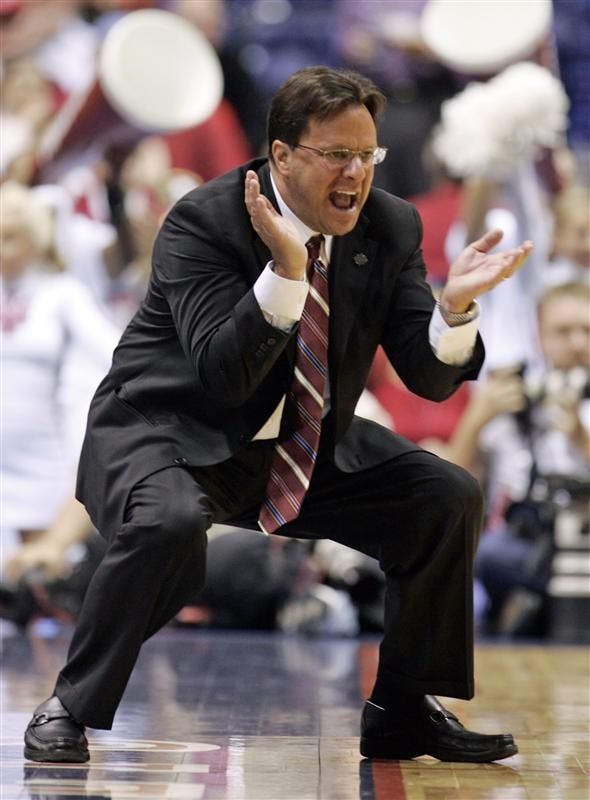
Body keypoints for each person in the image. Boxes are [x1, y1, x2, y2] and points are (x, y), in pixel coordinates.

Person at [24, 66, 532, 765]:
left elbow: (428, 376)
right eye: (337, 155)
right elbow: (223, 376)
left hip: (297, 440)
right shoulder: (206, 220)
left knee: (444, 496)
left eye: (368, 155)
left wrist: (456, 310)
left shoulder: (388, 225)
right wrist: (286, 275)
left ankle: (403, 710)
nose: (357, 172)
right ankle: (69, 705)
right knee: (169, 523)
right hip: (166, 431)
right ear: (282, 155)